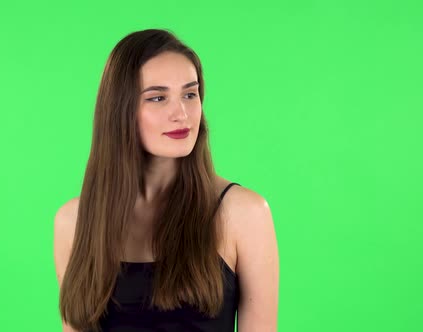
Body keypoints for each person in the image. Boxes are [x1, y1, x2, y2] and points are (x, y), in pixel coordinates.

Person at [53, 28, 279, 332]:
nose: (182, 113)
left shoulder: (244, 214)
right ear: (120, 111)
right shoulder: (74, 222)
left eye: (190, 94)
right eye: (158, 97)